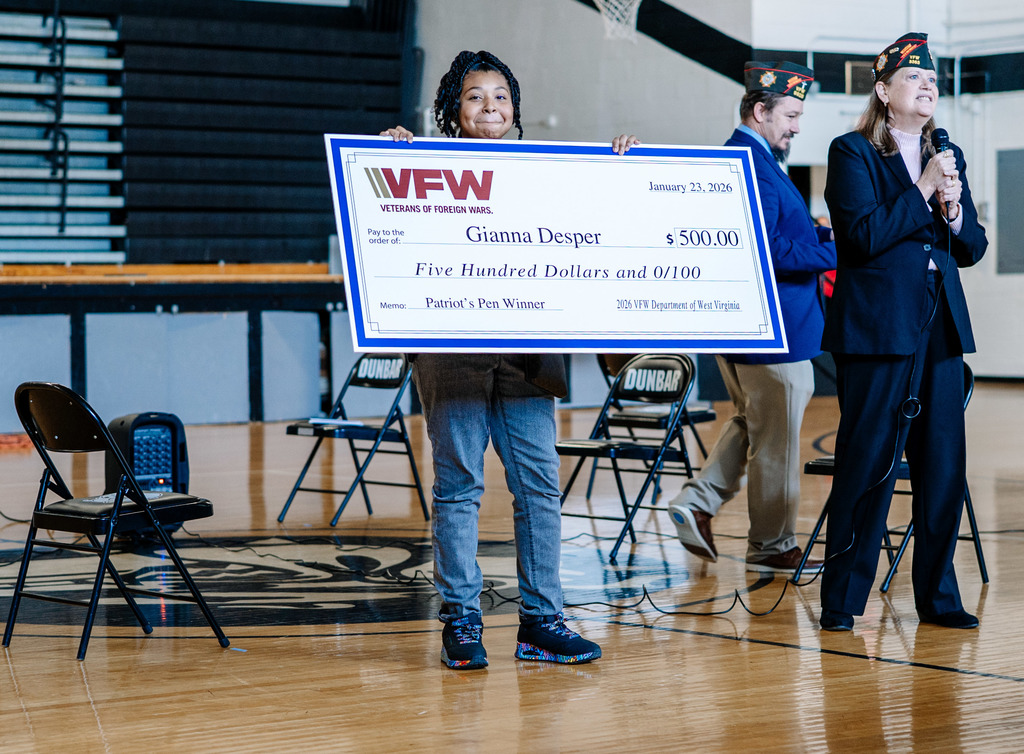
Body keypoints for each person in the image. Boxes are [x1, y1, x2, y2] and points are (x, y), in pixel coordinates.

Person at [381, 50, 601, 669]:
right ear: (453, 108)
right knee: (459, 487)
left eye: (501, 96)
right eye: (476, 96)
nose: (490, 107)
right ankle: (461, 619)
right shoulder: (422, 163)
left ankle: (541, 620)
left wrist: (620, 167)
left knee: (539, 485)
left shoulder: (547, 171)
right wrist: (391, 154)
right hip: (452, 353)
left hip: (527, 352)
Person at [818, 33, 987, 631]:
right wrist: (921, 189)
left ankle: (939, 599)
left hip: (939, 332)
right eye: (913, 78)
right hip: (878, 333)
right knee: (867, 468)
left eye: (932, 79)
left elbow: (970, 248)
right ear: (884, 91)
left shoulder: (949, 152)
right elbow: (861, 238)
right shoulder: (852, 152)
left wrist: (957, 210)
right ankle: (841, 600)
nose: (927, 86)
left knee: (943, 469)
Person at [664, 61, 837, 573]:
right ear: (759, 111)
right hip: (776, 329)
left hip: (752, 328)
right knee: (777, 440)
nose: (797, 126)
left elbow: (783, 235)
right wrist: (835, 253)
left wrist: (823, 236)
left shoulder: (751, 157)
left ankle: (696, 502)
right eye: (790, 114)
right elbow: (765, 248)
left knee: (751, 422)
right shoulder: (750, 162)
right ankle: (773, 546)